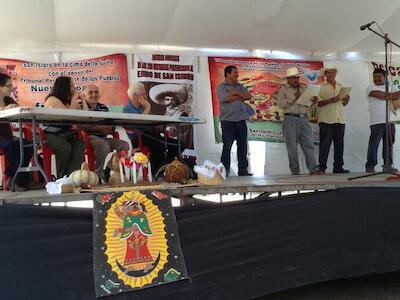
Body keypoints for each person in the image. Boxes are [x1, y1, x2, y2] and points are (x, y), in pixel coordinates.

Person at [123, 82, 180, 174]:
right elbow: (138, 122)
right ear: (135, 96)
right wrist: (148, 107)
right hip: (141, 138)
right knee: (167, 146)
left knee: (179, 144)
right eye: (144, 94)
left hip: (151, 135)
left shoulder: (141, 108)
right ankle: (159, 170)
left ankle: (163, 167)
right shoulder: (127, 109)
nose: (146, 97)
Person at [275, 67, 322, 175]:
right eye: (293, 78)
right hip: (290, 118)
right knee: (292, 146)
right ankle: (295, 170)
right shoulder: (283, 89)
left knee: (308, 144)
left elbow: (308, 104)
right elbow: (281, 104)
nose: (296, 80)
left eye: (297, 77)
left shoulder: (304, 88)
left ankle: (313, 169)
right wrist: (293, 98)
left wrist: (313, 101)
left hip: (304, 118)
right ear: (288, 79)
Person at [0, 73, 40, 191]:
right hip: (3, 139)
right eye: (8, 86)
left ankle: (13, 178)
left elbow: (21, 113)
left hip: (8, 137)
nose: (12, 88)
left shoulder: (9, 100)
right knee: (13, 145)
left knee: (30, 145)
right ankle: (22, 180)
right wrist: (4, 109)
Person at [82, 84, 129, 182]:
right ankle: (97, 174)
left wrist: (110, 129)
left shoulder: (103, 107)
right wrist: (100, 128)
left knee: (124, 145)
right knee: (104, 145)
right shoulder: (80, 106)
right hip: (88, 137)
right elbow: (82, 126)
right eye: (90, 92)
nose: (94, 95)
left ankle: (108, 168)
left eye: (96, 92)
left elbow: (111, 124)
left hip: (104, 137)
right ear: (84, 95)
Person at [44, 76, 86, 178]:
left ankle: (72, 176)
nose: (74, 88)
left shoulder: (70, 101)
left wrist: (83, 100)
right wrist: (75, 98)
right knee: (65, 147)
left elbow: (85, 115)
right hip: (51, 135)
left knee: (80, 144)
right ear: (64, 87)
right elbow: (68, 115)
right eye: (71, 85)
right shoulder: (52, 99)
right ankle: (61, 177)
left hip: (66, 135)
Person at [217, 65, 252, 176]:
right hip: (228, 121)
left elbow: (248, 96)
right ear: (228, 74)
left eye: (237, 72)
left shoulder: (239, 86)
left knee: (242, 146)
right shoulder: (222, 87)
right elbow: (225, 99)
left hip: (241, 120)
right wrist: (240, 96)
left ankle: (243, 170)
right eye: (235, 72)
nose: (237, 74)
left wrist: (236, 93)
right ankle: (224, 171)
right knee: (227, 146)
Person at [365, 68, 400, 173]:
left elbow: (396, 96)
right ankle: (370, 166)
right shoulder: (370, 87)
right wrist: (392, 96)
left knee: (389, 145)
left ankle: (387, 165)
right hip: (376, 121)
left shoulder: (391, 87)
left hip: (390, 121)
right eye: (375, 77)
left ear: (385, 77)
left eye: (379, 77)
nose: (376, 79)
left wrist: (391, 95)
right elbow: (379, 95)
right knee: (373, 144)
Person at [317, 64, 350, 173]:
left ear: (335, 73)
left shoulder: (341, 86)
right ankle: (322, 168)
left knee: (339, 145)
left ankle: (338, 167)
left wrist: (347, 99)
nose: (331, 74)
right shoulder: (320, 86)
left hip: (339, 119)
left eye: (333, 72)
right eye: (328, 72)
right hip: (326, 119)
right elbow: (318, 103)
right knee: (324, 145)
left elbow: (343, 104)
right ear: (325, 74)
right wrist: (332, 100)